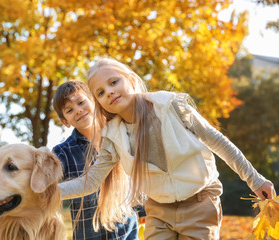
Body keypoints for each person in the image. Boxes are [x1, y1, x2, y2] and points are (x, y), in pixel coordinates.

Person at [58, 58, 276, 240]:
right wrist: (48, 191)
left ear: (131, 79)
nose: (110, 92)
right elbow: (91, 181)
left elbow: (218, 142)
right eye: (101, 93)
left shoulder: (171, 106)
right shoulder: (113, 137)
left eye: (114, 82)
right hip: (159, 211)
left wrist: (255, 180)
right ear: (100, 103)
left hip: (199, 202)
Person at [52, 80, 139, 240]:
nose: (78, 110)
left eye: (81, 102)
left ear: (94, 101)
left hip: (127, 232)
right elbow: (49, 189)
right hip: (89, 234)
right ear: (65, 122)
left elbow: (134, 177)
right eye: (70, 110)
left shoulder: (119, 135)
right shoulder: (61, 153)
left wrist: (142, 210)